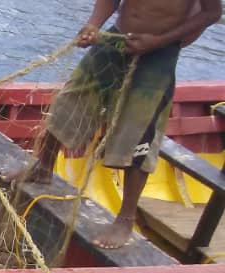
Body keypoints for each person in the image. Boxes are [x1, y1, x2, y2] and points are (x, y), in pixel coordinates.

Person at [17, 0, 221, 249]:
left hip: (159, 52)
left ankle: (125, 218)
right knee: (70, 101)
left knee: (138, 131)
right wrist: (93, 25)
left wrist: (159, 41)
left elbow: (212, 13)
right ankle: (43, 166)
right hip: (116, 37)